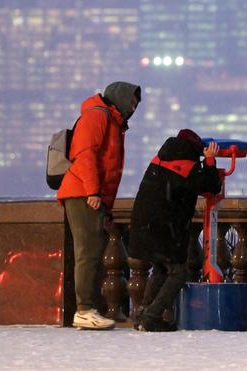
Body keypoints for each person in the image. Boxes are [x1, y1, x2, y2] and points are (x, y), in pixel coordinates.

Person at [56, 80, 141, 330]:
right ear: (120, 98)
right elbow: (85, 154)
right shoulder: (97, 115)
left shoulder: (111, 120)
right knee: (87, 252)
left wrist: (106, 205)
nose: (134, 107)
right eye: (132, 101)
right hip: (83, 192)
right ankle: (83, 310)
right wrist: (93, 191)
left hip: (89, 194)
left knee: (91, 252)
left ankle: (88, 308)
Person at [128, 129, 223, 332]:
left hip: (144, 223)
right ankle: (151, 316)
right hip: (165, 227)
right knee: (179, 273)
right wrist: (210, 161)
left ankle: (142, 315)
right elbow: (212, 186)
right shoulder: (187, 165)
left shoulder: (161, 158)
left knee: (161, 268)